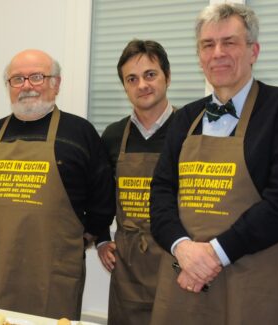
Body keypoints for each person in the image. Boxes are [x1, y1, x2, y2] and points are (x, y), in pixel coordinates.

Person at [149, 3, 278, 324]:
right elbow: (160, 192)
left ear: (253, 51)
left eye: (229, 42)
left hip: (253, 283)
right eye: (207, 45)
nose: (217, 53)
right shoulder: (185, 117)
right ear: (199, 57)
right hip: (183, 280)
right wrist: (182, 248)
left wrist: (213, 256)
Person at [0, 49, 115, 319]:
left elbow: (104, 200)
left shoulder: (80, 133)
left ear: (56, 84)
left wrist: (84, 238)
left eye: (37, 77)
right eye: (17, 79)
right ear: (8, 87)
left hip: (53, 275)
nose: (27, 86)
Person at [97, 39, 174, 325]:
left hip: (176, 261)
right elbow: (100, 194)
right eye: (132, 79)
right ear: (125, 86)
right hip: (127, 266)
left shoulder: (190, 130)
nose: (142, 85)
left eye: (150, 75)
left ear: (167, 76)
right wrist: (102, 238)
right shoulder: (114, 135)